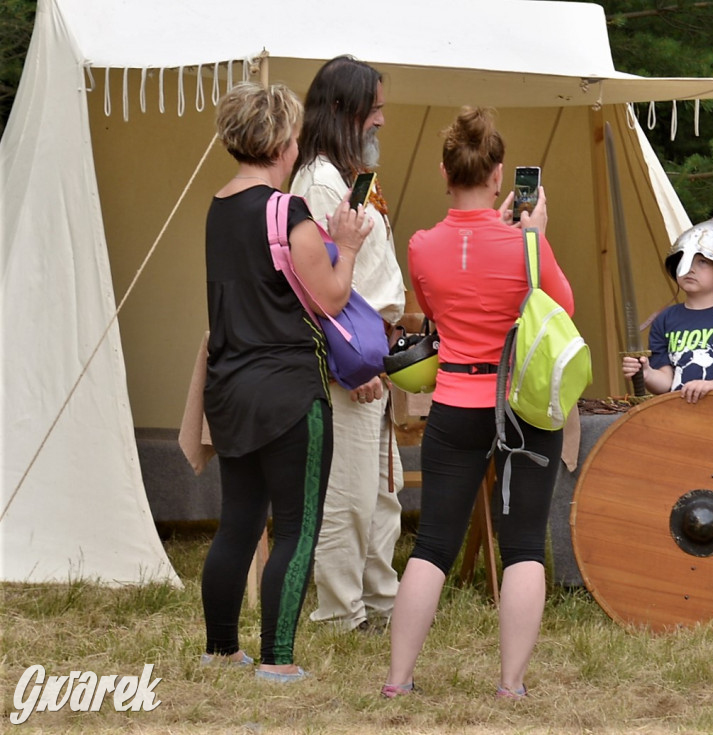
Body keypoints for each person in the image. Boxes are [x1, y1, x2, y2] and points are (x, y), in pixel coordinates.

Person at [382, 107, 574, 700]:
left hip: (454, 405)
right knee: (521, 548)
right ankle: (510, 685)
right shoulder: (526, 246)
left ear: (444, 172)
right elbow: (560, 310)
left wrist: (498, 232)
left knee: (433, 545)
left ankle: (398, 681)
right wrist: (533, 236)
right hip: (520, 406)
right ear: (498, 175)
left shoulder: (420, 246)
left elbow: (441, 308)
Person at [201, 81, 373, 683]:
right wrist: (346, 245)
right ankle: (277, 659)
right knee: (299, 526)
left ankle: (221, 648)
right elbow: (329, 295)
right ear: (281, 141)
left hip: (228, 388)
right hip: (288, 389)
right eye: (295, 134)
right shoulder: (285, 210)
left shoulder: (218, 207)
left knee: (239, 522)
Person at [291, 55, 407, 634]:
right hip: (348, 357)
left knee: (382, 492)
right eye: (375, 109)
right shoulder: (317, 181)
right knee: (349, 495)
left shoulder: (350, 173)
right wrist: (348, 363)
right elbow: (314, 286)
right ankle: (340, 613)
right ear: (343, 110)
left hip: (373, 351)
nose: (382, 120)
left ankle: (381, 606)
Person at [622, 196, 713, 402]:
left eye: (702, 261)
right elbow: (667, 384)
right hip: (679, 417)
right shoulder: (665, 320)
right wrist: (646, 373)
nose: (690, 268)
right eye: (685, 259)